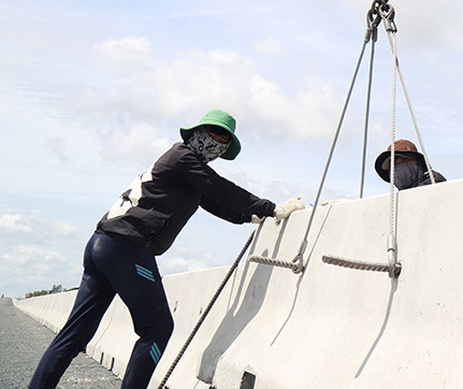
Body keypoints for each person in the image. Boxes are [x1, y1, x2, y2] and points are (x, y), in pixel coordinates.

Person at [28, 109, 303, 389]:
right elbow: (219, 187)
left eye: (222, 139)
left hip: (104, 244)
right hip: (127, 246)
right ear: (196, 131)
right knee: (158, 329)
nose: (215, 141)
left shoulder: (187, 171)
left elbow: (217, 202)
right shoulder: (181, 157)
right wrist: (270, 208)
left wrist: (253, 216)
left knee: (75, 334)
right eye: (212, 132)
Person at [374, 139, 445, 189]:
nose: (394, 167)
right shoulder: (397, 200)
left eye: (396, 159)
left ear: (415, 162)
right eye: (391, 164)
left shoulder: (434, 181)